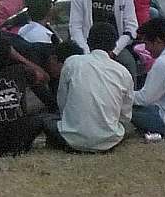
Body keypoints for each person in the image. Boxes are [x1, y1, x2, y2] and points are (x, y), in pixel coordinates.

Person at [43, 23, 134, 153]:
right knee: (129, 127)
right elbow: (125, 116)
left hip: (71, 139)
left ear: (88, 42)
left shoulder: (72, 63)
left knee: (47, 120)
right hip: (109, 140)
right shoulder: (123, 72)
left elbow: (62, 102)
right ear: (114, 46)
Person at [131, 18, 165, 135]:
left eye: (146, 43)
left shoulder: (163, 63)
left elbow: (144, 99)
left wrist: (120, 94)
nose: (145, 48)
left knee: (124, 107)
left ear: (158, 41)